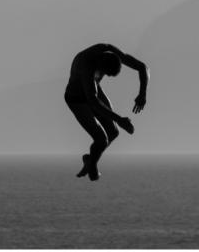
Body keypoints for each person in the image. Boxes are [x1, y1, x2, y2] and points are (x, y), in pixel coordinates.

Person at [64, 43, 149, 181]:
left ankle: (90, 160)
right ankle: (91, 166)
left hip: (93, 92)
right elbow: (93, 102)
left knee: (113, 132)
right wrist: (119, 119)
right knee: (101, 139)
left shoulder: (109, 49)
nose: (103, 76)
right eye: (103, 73)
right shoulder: (87, 67)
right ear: (99, 65)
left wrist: (142, 94)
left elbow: (142, 67)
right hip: (76, 99)